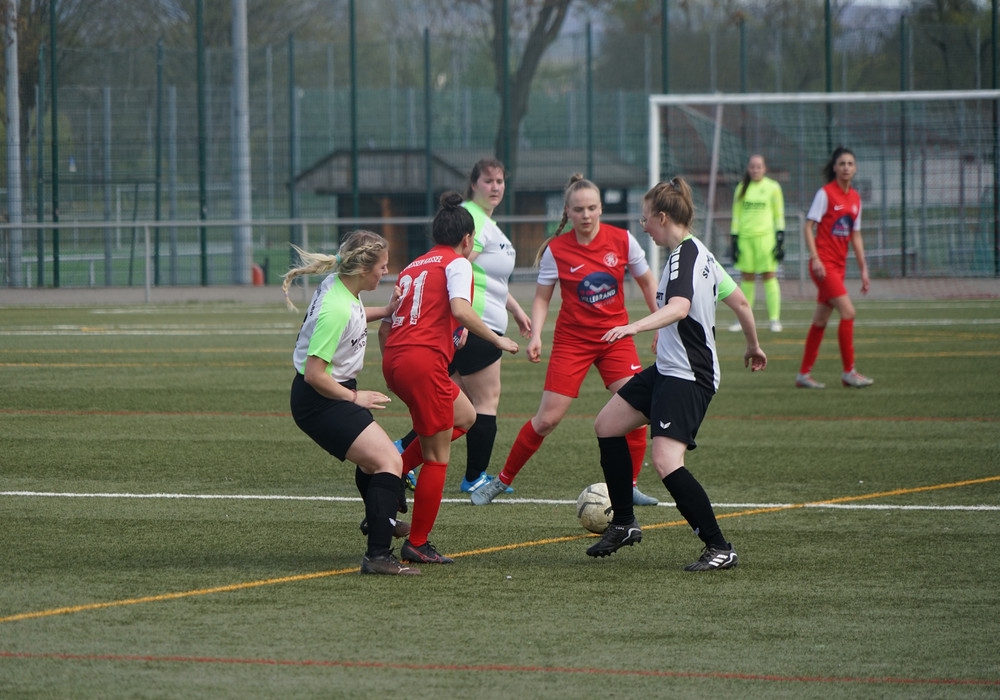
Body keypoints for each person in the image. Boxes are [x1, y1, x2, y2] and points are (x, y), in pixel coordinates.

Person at [585, 177, 767, 571]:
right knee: (607, 425)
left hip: (688, 376)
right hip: (670, 368)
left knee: (667, 461)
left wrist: (636, 327)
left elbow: (681, 306)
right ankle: (624, 522)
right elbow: (740, 303)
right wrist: (753, 345)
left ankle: (720, 547)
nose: (643, 225)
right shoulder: (701, 254)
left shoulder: (685, 256)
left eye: (646, 218)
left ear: (663, 217)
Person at [471, 173, 661, 507]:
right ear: (568, 213)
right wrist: (536, 337)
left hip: (616, 338)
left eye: (591, 208)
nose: (586, 215)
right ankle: (499, 482)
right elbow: (543, 298)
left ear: (601, 208)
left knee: (636, 409)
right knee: (546, 420)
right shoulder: (556, 250)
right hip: (573, 341)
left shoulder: (624, 241)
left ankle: (628, 486)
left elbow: (648, 284)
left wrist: (657, 325)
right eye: (578, 210)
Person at [381, 191, 519, 564]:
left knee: (466, 417)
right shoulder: (458, 263)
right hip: (422, 363)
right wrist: (495, 337)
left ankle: (392, 468)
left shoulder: (414, 265)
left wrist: (391, 364)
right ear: (468, 239)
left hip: (396, 358)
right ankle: (417, 542)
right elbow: (459, 309)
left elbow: (390, 322)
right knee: (437, 455)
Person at [391, 159, 531, 497]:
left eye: (500, 181)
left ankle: (400, 452)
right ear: (474, 184)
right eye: (488, 181)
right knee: (485, 400)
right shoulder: (473, 221)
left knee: (452, 401)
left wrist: (515, 309)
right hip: (475, 322)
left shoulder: (487, 223)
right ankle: (474, 476)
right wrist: (463, 322)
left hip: (480, 319)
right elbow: (456, 269)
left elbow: (491, 278)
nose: (495, 186)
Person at [283, 231, 418, 576]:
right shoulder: (336, 307)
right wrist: (355, 397)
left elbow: (355, 313)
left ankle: (377, 520)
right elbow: (314, 373)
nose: (385, 273)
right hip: (320, 399)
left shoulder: (342, 286)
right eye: (382, 267)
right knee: (389, 460)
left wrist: (387, 310)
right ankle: (377, 555)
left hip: (330, 393)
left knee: (378, 461)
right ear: (362, 269)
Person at [796, 146, 873, 389]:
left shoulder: (856, 199)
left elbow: (856, 236)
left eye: (850, 163)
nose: (846, 167)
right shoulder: (825, 194)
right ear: (835, 168)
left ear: (855, 168)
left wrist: (863, 269)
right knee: (848, 312)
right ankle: (849, 372)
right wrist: (816, 258)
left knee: (820, 320)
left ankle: (803, 375)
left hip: (839, 266)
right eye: (842, 164)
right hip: (823, 265)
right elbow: (808, 227)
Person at [728, 154, 786, 333]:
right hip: (746, 239)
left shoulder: (773, 187)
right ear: (748, 168)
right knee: (747, 278)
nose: (755, 170)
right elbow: (736, 215)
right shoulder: (741, 188)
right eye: (752, 166)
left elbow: (778, 213)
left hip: (766, 239)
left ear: (765, 168)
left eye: (758, 166)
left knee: (769, 276)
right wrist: (734, 238)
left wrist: (780, 237)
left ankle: (774, 319)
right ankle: (744, 320)